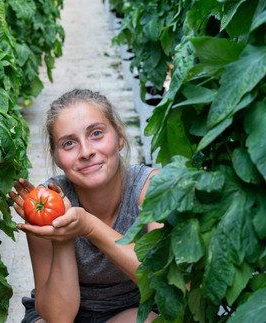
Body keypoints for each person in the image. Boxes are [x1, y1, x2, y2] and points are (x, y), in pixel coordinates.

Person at [10, 89, 162, 323]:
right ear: (57, 157)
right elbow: (57, 317)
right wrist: (62, 237)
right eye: (69, 143)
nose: (86, 151)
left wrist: (89, 227)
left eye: (97, 133)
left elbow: (165, 284)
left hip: (133, 311)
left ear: (120, 137)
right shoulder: (45, 204)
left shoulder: (153, 189)